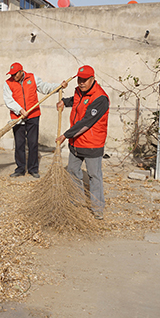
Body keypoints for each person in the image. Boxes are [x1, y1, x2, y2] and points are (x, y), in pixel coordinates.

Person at [56, 65, 109, 220]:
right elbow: (77, 101)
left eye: (85, 80)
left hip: (92, 144)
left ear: (93, 79)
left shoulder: (100, 98)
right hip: (76, 142)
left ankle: (97, 208)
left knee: (94, 175)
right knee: (72, 171)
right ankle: (77, 202)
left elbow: (86, 122)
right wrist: (64, 102)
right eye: (80, 79)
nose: (81, 82)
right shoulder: (79, 92)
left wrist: (66, 135)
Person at [4, 62, 68, 178]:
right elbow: (8, 100)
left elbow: (45, 87)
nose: (13, 76)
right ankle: (20, 169)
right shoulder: (8, 83)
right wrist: (20, 110)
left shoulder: (32, 78)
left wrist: (59, 86)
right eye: (11, 74)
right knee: (19, 144)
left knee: (33, 143)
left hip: (33, 115)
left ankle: (33, 169)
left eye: (15, 74)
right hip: (17, 118)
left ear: (21, 71)